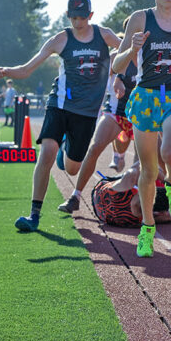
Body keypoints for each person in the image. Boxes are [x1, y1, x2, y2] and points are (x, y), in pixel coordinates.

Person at [0, 0, 120, 231]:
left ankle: (65, 150)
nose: (78, 22)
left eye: (82, 17)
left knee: (72, 167)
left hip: (86, 113)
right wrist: (6, 71)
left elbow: (128, 55)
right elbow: (27, 69)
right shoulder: (60, 39)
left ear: (90, 16)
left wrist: (120, 76)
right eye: (73, 17)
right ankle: (34, 215)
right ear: (67, 16)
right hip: (60, 104)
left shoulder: (104, 35)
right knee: (46, 152)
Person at [113, 0, 171, 258]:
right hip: (146, 96)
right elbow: (116, 65)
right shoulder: (140, 18)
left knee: (170, 153)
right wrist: (132, 49)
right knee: (148, 170)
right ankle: (147, 228)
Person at [57, 30, 138, 214]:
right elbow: (97, 84)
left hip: (142, 115)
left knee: (147, 161)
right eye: (131, 34)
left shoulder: (149, 56)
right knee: (94, 148)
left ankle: (148, 202)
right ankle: (75, 197)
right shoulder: (115, 57)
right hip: (116, 113)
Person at [91, 166, 171, 227]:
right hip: (100, 213)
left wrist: (166, 182)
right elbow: (168, 217)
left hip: (98, 190)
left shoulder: (125, 187)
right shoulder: (138, 220)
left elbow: (146, 166)